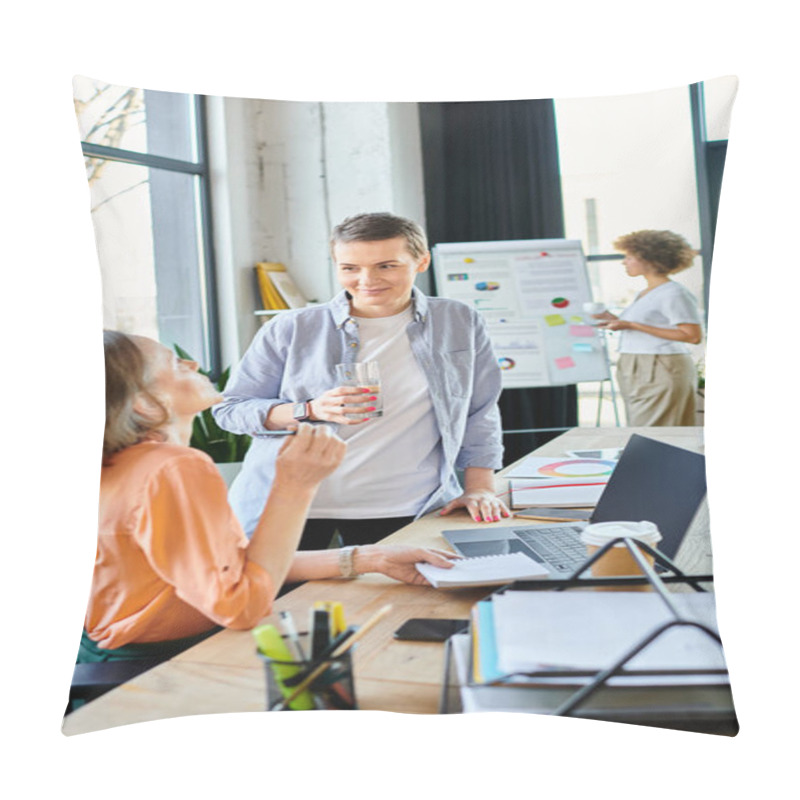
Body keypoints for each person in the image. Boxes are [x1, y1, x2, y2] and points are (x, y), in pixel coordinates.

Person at [80, 330, 457, 664]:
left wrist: (369, 557)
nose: (192, 361)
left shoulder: (120, 466)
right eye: (175, 363)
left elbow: (237, 568)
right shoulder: (173, 467)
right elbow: (240, 606)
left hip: (114, 655)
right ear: (143, 404)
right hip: (164, 663)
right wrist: (296, 484)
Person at [213, 212, 509, 551]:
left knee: (402, 604)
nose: (366, 280)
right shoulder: (292, 327)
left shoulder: (458, 320)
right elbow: (231, 411)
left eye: (387, 266)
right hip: (291, 505)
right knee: (281, 604)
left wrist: (480, 487)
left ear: (421, 261)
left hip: (407, 505)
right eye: (350, 268)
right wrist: (309, 409)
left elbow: (480, 409)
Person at [591, 230, 703, 427]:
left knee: (652, 432)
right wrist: (615, 320)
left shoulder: (673, 293)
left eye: (629, 257)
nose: (624, 262)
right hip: (637, 364)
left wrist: (632, 324)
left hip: (660, 366)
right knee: (645, 430)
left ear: (649, 259)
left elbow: (692, 336)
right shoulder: (646, 292)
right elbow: (650, 328)